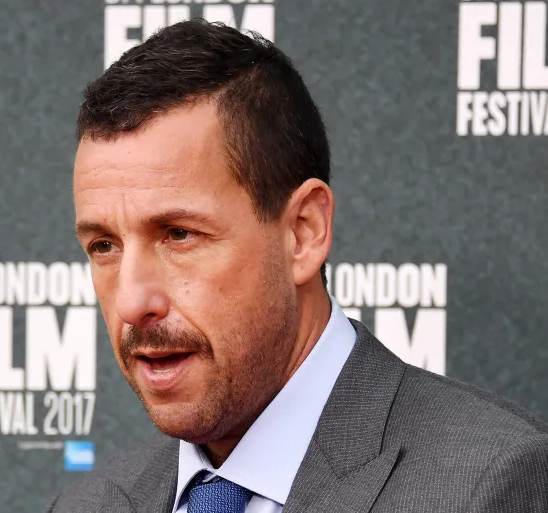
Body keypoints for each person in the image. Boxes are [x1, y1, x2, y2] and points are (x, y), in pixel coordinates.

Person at [48, 19, 548, 513]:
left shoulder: (488, 484)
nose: (132, 302)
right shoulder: (86, 505)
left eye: (179, 234)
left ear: (303, 233)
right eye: (104, 245)